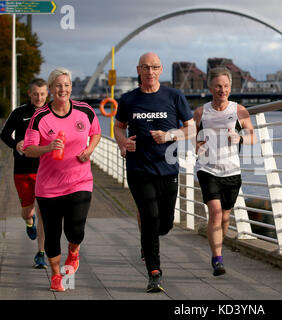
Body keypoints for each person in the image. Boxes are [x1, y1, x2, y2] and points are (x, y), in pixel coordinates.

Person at [114, 52, 195, 293]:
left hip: (167, 168)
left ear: (161, 70)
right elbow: (119, 127)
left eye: (155, 67)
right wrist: (123, 143)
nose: (150, 72)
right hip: (139, 168)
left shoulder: (174, 96)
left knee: (164, 224)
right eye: (145, 67)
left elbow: (190, 128)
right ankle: (154, 273)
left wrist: (169, 135)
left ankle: (148, 242)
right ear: (139, 70)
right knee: (149, 219)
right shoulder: (128, 99)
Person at [23, 67, 101, 292]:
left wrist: (90, 149)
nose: (63, 89)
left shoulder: (84, 110)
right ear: (50, 89)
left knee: (76, 229)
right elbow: (28, 149)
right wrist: (47, 147)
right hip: (49, 187)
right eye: (58, 86)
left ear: (70, 88)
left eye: (66, 85)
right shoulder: (40, 117)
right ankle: (56, 275)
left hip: (80, 180)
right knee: (53, 232)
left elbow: (95, 132)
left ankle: (74, 252)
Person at [193, 67, 256, 276]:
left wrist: (240, 138)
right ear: (210, 87)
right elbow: (194, 136)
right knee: (216, 213)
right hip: (207, 169)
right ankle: (217, 258)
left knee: (226, 217)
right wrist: (197, 146)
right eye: (218, 86)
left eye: (226, 86)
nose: (223, 90)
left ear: (231, 87)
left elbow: (252, 136)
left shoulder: (239, 110)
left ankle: (218, 248)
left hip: (232, 170)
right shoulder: (201, 112)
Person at [0, 78, 48, 269]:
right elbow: (4, 134)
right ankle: (29, 222)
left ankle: (41, 253)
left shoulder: (50, 112)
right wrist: (16, 145)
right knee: (28, 211)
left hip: (46, 169)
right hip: (23, 169)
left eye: (43, 94)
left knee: (44, 212)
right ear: (29, 93)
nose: (39, 97)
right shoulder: (20, 112)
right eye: (36, 94)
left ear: (47, 94)